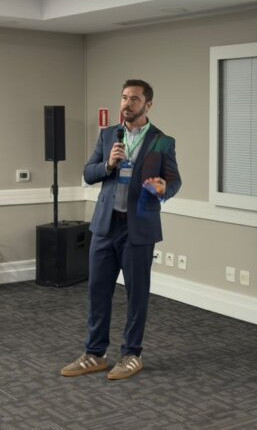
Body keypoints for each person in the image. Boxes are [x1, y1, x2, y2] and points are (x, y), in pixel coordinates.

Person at [61, 79, 182, 380]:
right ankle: (95, 353)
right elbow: (88, 173)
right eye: (124, 97)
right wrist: (109, 165)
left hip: (137, 229)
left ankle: (131, 354)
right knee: (97, 291)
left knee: (136, 294)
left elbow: (174, 180)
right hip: (105, 226)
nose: (127, 103)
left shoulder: (162, 141)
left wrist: (163, 188)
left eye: (134, 99)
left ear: (148, 105)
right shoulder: (108, 136)